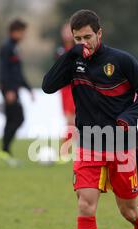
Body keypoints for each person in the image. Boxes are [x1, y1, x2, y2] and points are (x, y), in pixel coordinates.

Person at [42, 10, 138, 229]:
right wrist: (70, 54)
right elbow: (47, 86)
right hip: (88, 143)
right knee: (85, 205)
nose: (84, 43)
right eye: (78, 38)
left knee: (128, 210)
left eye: (88, 37)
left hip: (121, 144)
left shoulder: (122, 60)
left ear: (99, 34)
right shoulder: (73, 60)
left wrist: (128, 118)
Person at [0, 19, 34, 167]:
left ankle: (5, 152)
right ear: (15, 31)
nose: (24, 35)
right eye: (22, 32)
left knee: (12, 119)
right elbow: (3, 70)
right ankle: (4, 150)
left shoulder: (14, 47)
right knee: (18, 118)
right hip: (9, 90)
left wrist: (28, 88)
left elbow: (18, 73)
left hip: (13, 89)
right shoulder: (7, 47)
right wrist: (8, 90)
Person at [56, 23, 76, 164]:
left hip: (77, 88)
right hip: (65, 90)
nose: (67, 34)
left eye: (69, 31)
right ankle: (65, 152)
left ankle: (65, 152)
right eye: (65, 31)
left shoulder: (79, 49)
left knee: (73, 121)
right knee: (70, 121)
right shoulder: (60, 50)